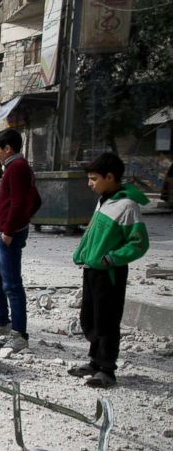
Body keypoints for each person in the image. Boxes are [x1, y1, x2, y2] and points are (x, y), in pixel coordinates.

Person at [69, 153, 149, 388]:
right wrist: (82, 254)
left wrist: (111, 258)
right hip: (92, 269)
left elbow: (138, 243)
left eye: (94, 178)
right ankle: (94, 361)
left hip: (109, 272)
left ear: (110, 177)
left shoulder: (127, 206)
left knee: (107, 320)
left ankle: (107, 369)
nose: (90, 183)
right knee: (90, 318)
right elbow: (93, 232)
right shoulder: (104, 200)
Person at [0, 128, 42, 353]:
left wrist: (11, 229)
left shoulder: (16, 168)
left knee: (11, 284)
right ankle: (1, 323)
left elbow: (20, 202)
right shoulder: (17, 167)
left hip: (7, 234)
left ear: (8, 149)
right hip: (3, 232)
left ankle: (19, 335)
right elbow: (35, 199)